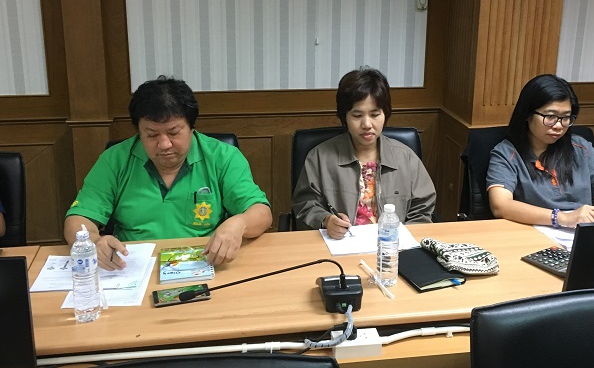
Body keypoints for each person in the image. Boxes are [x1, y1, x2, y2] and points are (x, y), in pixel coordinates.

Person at [64, 76, 272, 269]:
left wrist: (239, 223)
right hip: (132, 267)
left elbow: (262, 213)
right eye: (152, 135)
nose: (164, 144)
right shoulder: (115, 160)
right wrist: (95, 242)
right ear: (139, 132)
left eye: (173, 132)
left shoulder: (223, 157)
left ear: (191, 128)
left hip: (205, 263)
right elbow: (77, 219)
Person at [292, 67, 436, 239]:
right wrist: (326, 220)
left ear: (385, 114)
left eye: (375, 115)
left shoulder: (406, 158)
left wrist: (402, 239)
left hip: (392, 247)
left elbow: (422, 210)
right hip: (340, 245)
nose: (367, 124)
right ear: (344, 117)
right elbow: (305, 205)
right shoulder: (319, 158)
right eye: (357, 115)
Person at [487, 74, 594, 228]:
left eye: (565, 118)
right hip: (533, 233)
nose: (559, 126)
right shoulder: (507, 153)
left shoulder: (581, 148)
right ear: (527, 114)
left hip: (581, 233)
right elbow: (500, 205)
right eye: (550, 116)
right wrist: (562, 218)